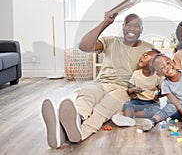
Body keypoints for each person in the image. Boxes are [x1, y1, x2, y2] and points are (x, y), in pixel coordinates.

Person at [41, 13, 153, 148]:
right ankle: (78, 118)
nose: (132, 28)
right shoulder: (110, 41)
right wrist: (105, 23)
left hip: (124, 88)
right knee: (86, 94)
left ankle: (77, 132)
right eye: (128, 24)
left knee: (104, 108)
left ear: (141, 29)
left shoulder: (148, 49)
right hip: (102, 83)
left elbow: (158, 69)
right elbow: (83, 46)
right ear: (123, 27)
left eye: (136, 25)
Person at [141, 54, 182, 133]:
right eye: (162, 68)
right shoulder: (165, 84)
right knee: (170, 107)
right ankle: (153, 121)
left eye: (168, 63)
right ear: (159, 74)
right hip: (177, 110)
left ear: (173, 62)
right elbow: (175, 102)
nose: (167, 67)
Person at [111, 48, 163, 126]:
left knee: (156, 110)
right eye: (142, 55)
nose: (141, 57)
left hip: (152, 103)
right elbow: (129, 90)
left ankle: (129, 116)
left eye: (146, 56)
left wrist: (158, 94)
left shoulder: (158, 76)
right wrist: (134, 89)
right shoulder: (136, 74)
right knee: (128, 105)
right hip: (137, 101)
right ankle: (128, 119)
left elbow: (163, 90)